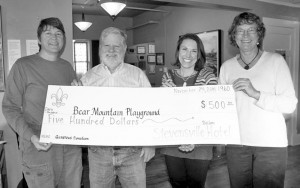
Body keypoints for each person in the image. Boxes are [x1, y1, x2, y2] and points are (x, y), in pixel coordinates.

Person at [219, 12, 298, 188]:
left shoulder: (275, 61)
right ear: (234, 36)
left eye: (251, 30)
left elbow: (289, 104)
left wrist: (256, 94)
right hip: (236, 145)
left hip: (270, 145)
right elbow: (222, 109)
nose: (245, 35)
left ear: (259, 35)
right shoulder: (227, 67)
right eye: (240, 30)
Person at [2, 17, 82, 188]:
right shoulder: (23, 66)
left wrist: (79, 94)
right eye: (48, 33)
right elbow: (10, 107)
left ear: (64, 39)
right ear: (39, 39)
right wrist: (31, 136)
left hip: (70, 149)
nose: (54, 37)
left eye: (58, 33)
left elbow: (73, 107)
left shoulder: (67, 67)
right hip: (39, 148)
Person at [72, 27, 155, 188]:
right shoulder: (88, 78)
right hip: (98, 153)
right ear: (100, 48)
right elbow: (79, 113)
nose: (111, 50)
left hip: (132, 151)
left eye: (116, 46)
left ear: (124, 48)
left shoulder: (137, 75)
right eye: (106, 46)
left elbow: (151, 109)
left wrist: (150, 143)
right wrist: (74, 97)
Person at [160, 33, 218, 188]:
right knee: (176, 184)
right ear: (178, 51)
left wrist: (195, 141)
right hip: (172, 143)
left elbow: (212, 114)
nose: (188, 55)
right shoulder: (167, 76)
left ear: (199, 55)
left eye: (194, 51)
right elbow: (163, 112)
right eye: (184, 49)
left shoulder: (209, 77)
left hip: (200, 145)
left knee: (196, 185)